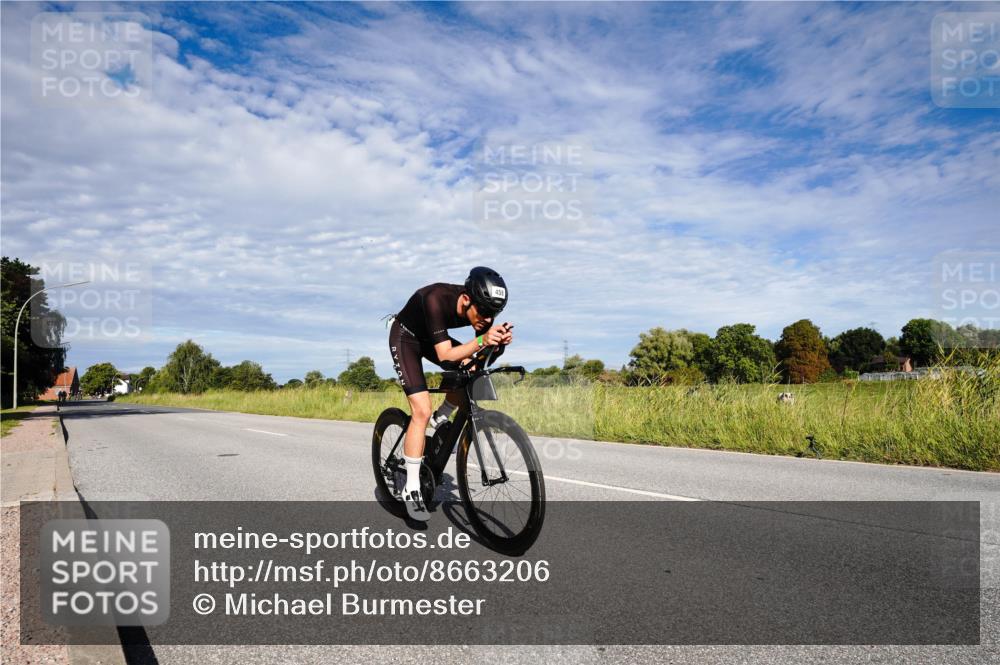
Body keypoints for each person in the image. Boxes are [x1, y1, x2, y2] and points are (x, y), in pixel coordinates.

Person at [388, 267, 513, 521]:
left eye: (494, 315)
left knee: (470, 372)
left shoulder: (480, 311)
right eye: (485, 313)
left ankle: (442, 416)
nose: (488, 320)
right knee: (420, 410)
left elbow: (479, 359)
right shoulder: (435, 298)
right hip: (406, 338)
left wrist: (496, 346)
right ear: (466, 299)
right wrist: (482, 340)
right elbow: (445, 355)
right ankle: (412, 488)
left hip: (433, 340)